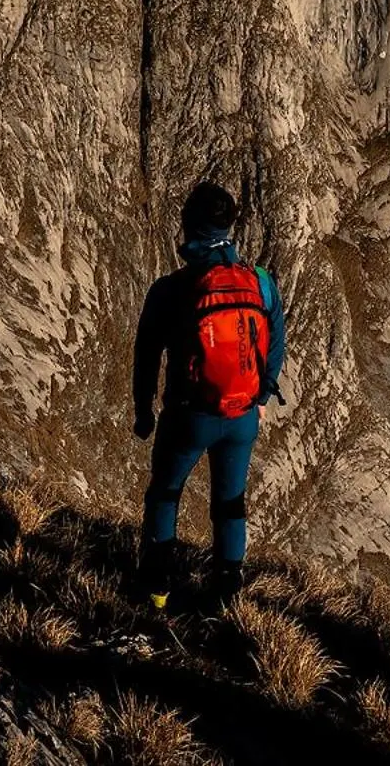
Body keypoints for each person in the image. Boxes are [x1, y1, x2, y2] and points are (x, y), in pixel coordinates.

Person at [133, 181, 286, 606]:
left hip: (189, 415)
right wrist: (258, 395)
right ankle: (226, 597)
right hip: (242, 418)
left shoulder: (171, 289)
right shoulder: (260, 282)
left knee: (165, 492)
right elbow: (275, 347)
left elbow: (146, 354)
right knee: (230, 502)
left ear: (187, 225)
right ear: (231, 225)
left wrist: (142, 410)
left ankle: (157, 593)